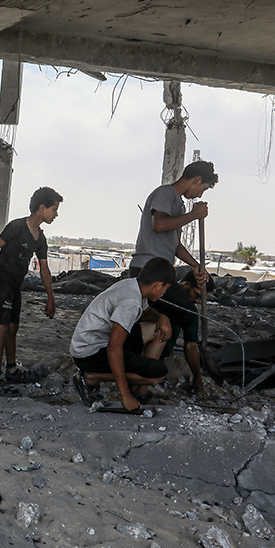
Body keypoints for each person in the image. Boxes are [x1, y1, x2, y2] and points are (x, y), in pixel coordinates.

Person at [128, 159, 218, 390]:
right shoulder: (165, 194)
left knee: (164, 324)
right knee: (188, 314)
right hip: (149, 270)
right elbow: (159, 225)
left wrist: (195, 265)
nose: (199, 195)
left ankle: (142, 381)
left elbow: (174, 244)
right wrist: (194, 215)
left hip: (161, 271)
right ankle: (136, 371)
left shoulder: (178, 205)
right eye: (202, 188)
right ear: (197, 179)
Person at [0, 186, 61, 397]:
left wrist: (50, 297)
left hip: (16, 285)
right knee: (2, 328)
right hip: (2, 282)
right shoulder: (16, 226)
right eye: (54, 209)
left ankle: (12, 370)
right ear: (41, 208)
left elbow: (44, 268)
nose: (56, 214)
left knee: (13, 328)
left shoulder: (40, 238)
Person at [69, 257, 176, 412]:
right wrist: (125, 395)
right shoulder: (131, 302)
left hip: (99, 339)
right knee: (157, 375)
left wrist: (162, 318)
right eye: (164, 289)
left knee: (159, 329)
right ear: (158, 285)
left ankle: (139, 390)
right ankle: (90, 377)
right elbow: (114, 347)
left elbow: (147, 313)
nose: (163, 293)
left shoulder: (134, 286)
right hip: (89, 352)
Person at [155, 269, 216, 392]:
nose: (198, 301)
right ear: (187, 284)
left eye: (202, 298)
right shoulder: (161, 293)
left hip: (159, 355)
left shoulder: (190, 312)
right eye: (197, 295)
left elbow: (190, 345)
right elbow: (190, 346)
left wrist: (197, 375)